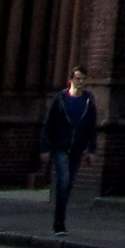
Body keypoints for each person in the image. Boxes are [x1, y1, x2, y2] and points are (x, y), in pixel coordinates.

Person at [39, 68, 99, 235]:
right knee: (64, 181)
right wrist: (45, 148)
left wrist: (92, 151)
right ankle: (59, 223)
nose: (80, 82)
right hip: (60, 147)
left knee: (68, 185)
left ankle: (60, 220)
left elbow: (91, 129)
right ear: (71, 80)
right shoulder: (61, 99)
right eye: (77, 79)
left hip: (77, 149)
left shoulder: (88, 101)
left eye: (83, 79)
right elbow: (49, 124)